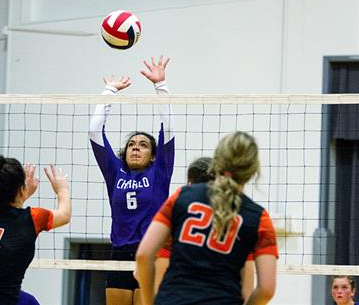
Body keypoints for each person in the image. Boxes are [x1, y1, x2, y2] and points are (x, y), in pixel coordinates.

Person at [135, 131, 278, 305]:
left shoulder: (181, 197)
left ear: (217, 161)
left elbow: (143, 255)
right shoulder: (259, 218)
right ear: (254, 169)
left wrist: (151, 302)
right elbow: (267, 289)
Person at [89, 56, 174, 305]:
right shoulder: (115, 172)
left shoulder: (159, 172)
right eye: (131, 145)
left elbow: (168, 128)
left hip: (152, 253)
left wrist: (161, 86)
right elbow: (94, 131)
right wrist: (109, 91)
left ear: (153, 155)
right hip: (119, 252)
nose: (135, 148)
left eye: (143, 145)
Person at [0, 149, 71, 305]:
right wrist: (62, 188)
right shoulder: (33, 219)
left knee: (29, 301)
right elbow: (64, 215)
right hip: (1, 301)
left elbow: (8, 208)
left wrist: (21, 192)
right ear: (20, 189)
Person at [153, 157, 255, 301]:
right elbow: (249, 289)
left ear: (189, 183)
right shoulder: (239, 221)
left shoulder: (175, 215)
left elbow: (145, 263)